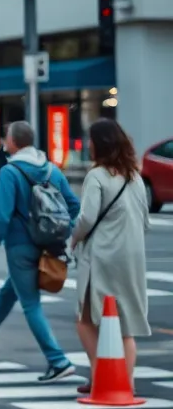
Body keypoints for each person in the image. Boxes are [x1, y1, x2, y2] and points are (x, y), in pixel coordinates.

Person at [0, 120, 80, 382]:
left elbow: (1, 214)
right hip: (48, 246)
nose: (5, 141)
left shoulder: (10, 171)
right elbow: (74, 206)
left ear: (13, 142)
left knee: (30, 304)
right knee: (10, 292)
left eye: (6, 137)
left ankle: (58, 360)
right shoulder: (51, 169)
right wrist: (63, 232)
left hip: (20, 246)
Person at [70, 118, 150, 395]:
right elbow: (145, 220)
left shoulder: (97, 176)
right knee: (124, 325)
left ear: (99, 144)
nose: (88, 144)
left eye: (90, 139)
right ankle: (126, 382)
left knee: (85, 318)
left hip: (103, 256)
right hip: (132, 256)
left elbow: (87, 217)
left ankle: (100, 374)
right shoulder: (135, 177)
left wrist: (73, 237)